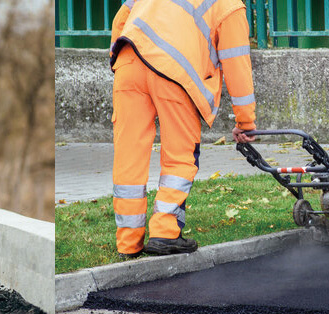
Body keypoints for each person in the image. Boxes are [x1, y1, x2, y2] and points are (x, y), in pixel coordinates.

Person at [109, 0, 258, 258]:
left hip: (128, 62)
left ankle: (128, 242)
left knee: (128, 157)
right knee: (180, 156)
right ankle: (165, 232)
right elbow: (237, 65)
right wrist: (245, 122)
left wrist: (121, 64)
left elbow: (121, 20)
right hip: (175, 72)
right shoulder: (230, 5)